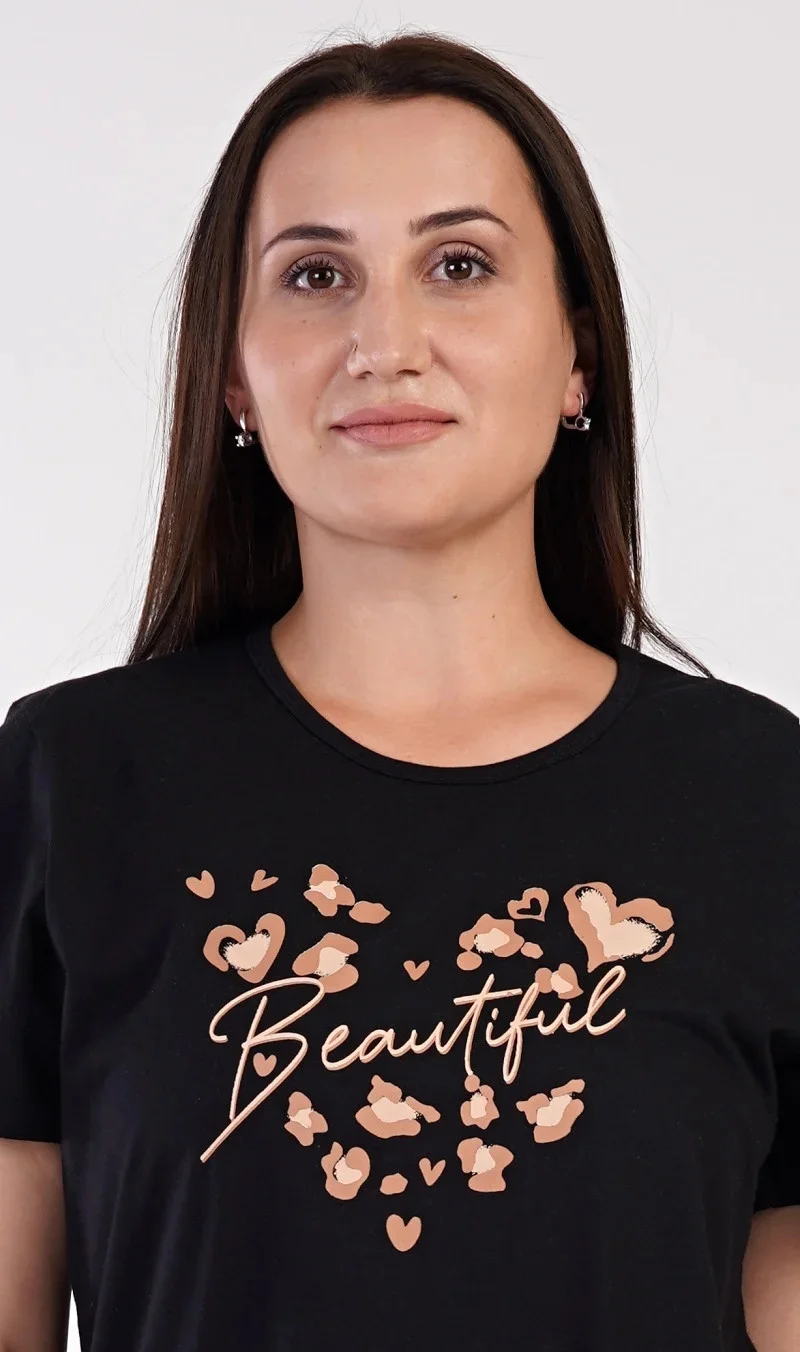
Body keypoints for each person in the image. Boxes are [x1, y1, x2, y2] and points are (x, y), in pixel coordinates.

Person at [1, 28, 797, 1352]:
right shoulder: (72, 783)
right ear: (234, 372)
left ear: (578, 355)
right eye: (315, 276)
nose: (386, 341)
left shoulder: (761, 801)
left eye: (459, 265)